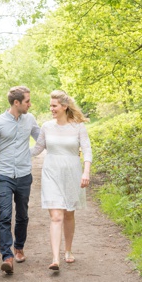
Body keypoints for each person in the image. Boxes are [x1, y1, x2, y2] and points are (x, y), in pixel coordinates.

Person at [0, 86, 41, 274]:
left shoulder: (30, 120)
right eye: (27, 101)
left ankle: (19, 247)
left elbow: (43, 139)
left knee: (22, 215)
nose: (30, 104)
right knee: (5, 216)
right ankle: (7, 256)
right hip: (4, 175)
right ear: (16, 102)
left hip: (24, 175)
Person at [30, 90, 92, 271]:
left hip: (72, 173)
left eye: (54, 105)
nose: (51, 109)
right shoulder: (47, 126)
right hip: (51, 173)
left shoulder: (78, 127)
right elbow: (37, 149)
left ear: (64, 106)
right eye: (50, 105)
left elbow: (87, 150)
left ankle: (68, 250)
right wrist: (15, 154)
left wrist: (86, 172)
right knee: (56, 216)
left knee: (69, 214)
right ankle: (55, 258)